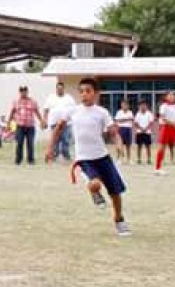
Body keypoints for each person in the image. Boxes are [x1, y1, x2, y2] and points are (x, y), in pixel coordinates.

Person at [45, 78, 131, 237]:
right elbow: (58, 129)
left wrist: (119, 144)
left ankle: (119, 219)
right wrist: (50, 147)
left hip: (103, 157)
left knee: (115, 192)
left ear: (95, 93)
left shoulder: (102, 112)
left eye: (88, 91)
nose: (84, 94)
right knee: (95, 184)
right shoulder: (73, 111)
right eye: (81, 91)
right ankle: (94, 192)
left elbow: (113, 132)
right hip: (84, 159)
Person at [9, 85, 44, 166]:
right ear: (19, 92)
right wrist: (8, 123)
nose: (23, 92)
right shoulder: (16, 101)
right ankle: (18, 160)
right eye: (21, 90)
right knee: (19, 143)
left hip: (30, 127)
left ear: (27, 91)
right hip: (20, 126)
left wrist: (41, 121)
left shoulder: (33, 101)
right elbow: (12, 112)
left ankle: (31, 160)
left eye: (25, 90)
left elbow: (37, 112)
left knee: (30, 143)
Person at [44, 81, 76, 162]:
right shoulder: (50, 97)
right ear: (56, 89)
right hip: (54, 124)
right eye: (58, 88)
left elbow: (74, 110)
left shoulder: (69, 98)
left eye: (61, 88)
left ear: (63, 89)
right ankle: (54, 157)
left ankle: (66, 157)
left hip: (66, 124)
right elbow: (46, 110)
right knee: (55, 142)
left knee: (65, 140)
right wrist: (45, 120)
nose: (59, 90)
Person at [133, 101, 154, 165]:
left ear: (146, 106)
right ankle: (139, 159)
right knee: (139, 146)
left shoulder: (149, 114)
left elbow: (151, 123)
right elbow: (135, 123)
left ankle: (149, 159)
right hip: (139, 132)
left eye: (144, 105)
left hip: (147, 132)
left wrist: (145, 129)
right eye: (141, 105)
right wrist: (141, 128)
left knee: (148, 146)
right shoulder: (137, 114)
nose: (143, 107)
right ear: (139, 106)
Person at [114, 100, 134, 164]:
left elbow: (132, 120)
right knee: (119, 145)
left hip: (128, 129)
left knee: (128, 145)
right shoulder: (119, 112)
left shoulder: (130, 112)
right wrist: (127, 119)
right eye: (123, 104)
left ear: (128, 105)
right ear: (121, 105)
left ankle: (129, 159)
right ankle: (118, 159)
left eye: (126, 105)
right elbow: (118, 120)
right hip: (121, 129)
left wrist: (124, 120)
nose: (125, 106)